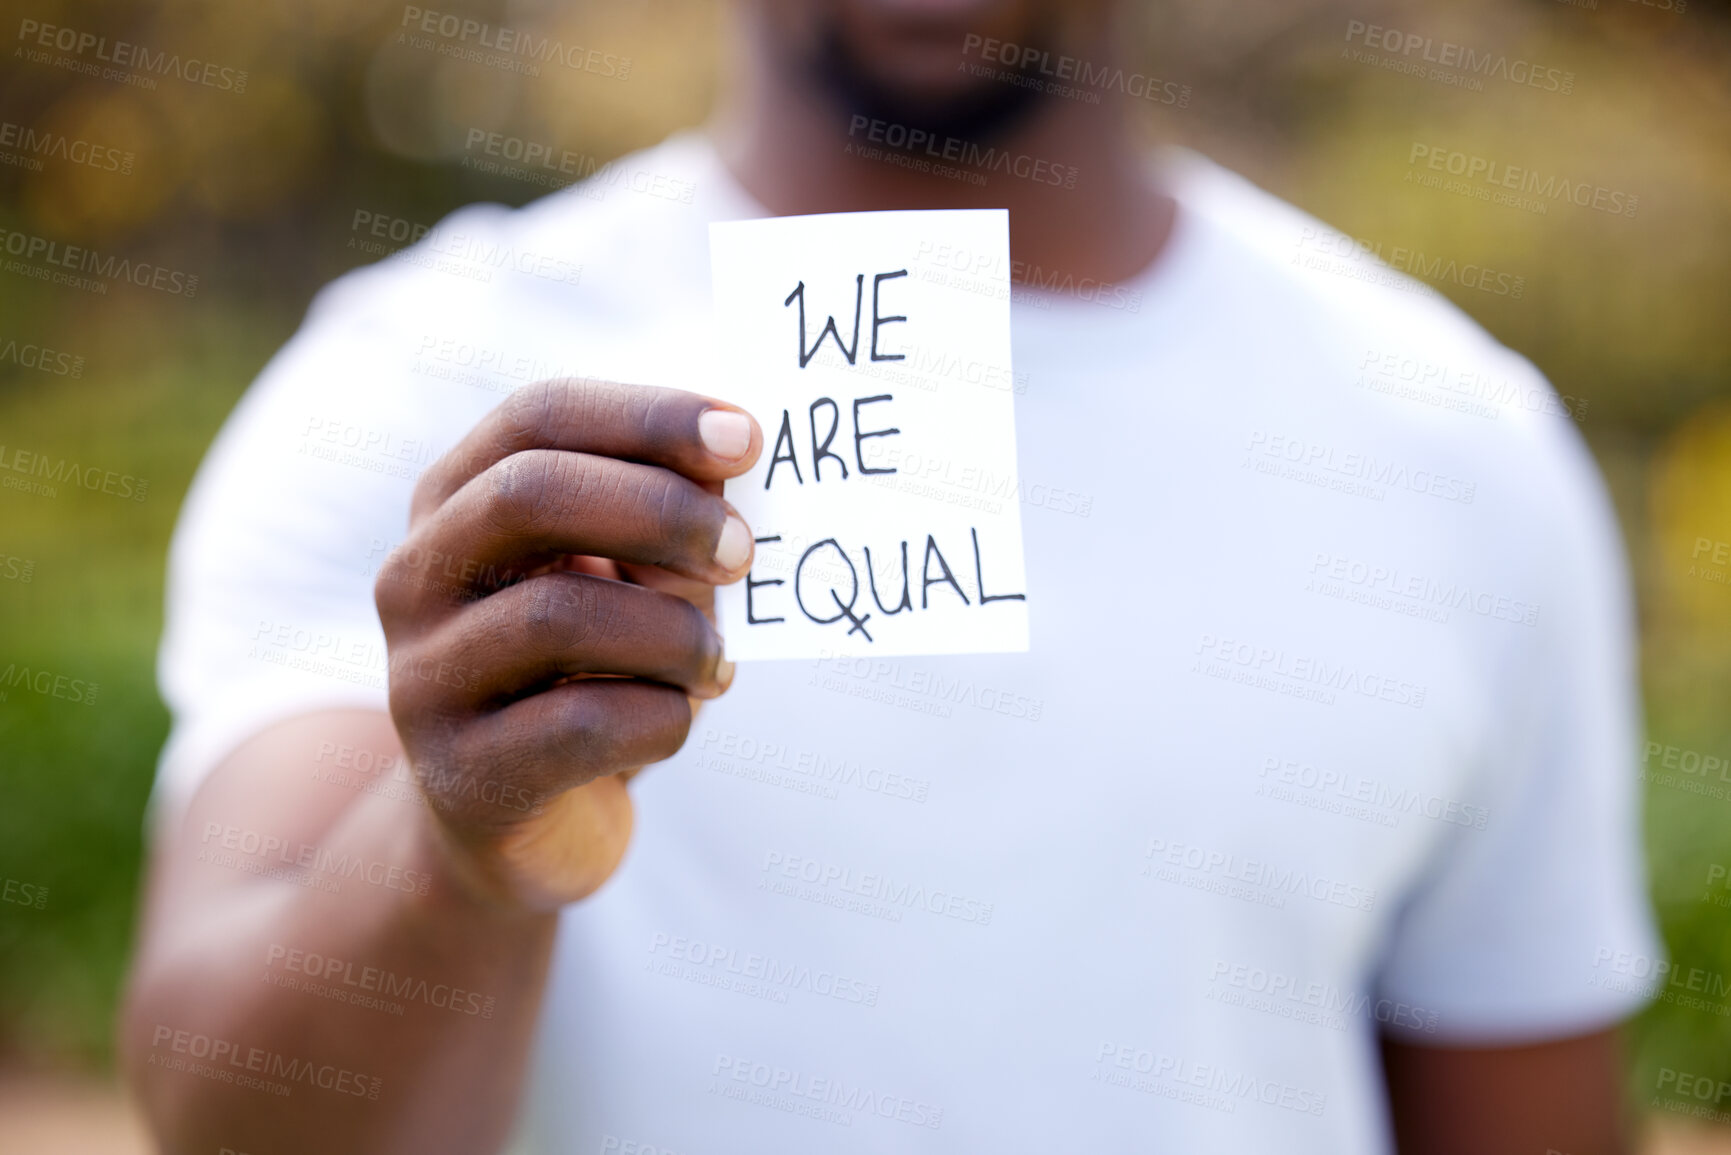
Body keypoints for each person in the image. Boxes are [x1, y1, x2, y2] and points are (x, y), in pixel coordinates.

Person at [120, 1, 1658, 1151]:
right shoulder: (414, 383)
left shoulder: (1453, 441)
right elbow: (217, 1114)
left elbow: (1525, 1109)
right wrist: (461, 849)